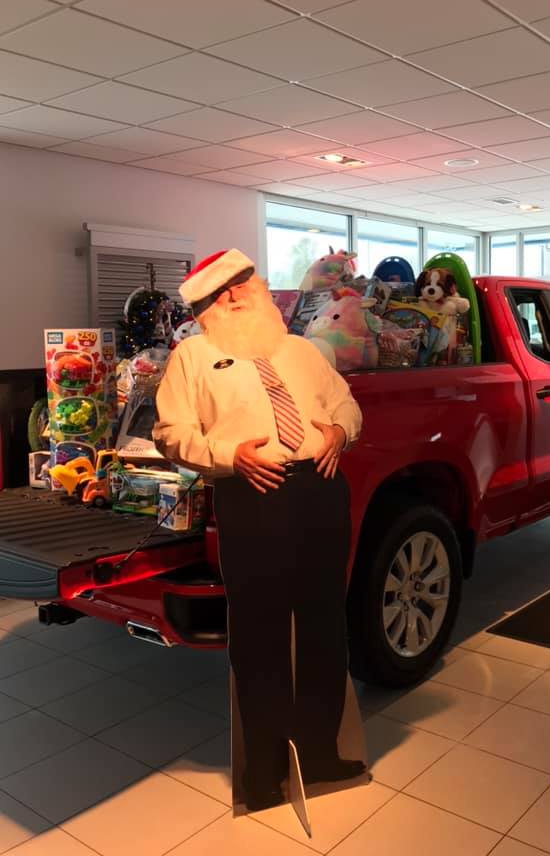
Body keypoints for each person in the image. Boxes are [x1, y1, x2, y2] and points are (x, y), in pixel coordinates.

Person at [153, 249, 366, 811]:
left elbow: (347, 405)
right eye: (219, 292)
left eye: (242, 283)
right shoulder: (192, 358)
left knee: (325, 624)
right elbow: (171, 433)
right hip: (252, 494)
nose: (234, 296)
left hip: (321, 488)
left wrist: (339, 433)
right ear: (203, 307)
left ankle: (320, 753)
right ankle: (264, 772)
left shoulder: (303, 350)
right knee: (259, 633)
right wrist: (229, 456)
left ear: (260, 287)